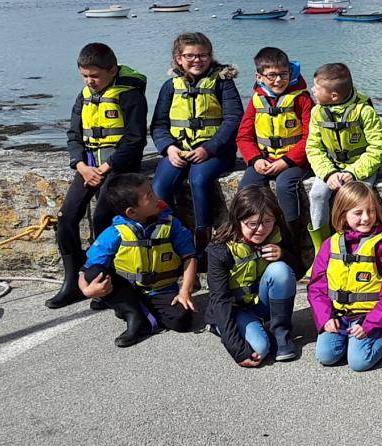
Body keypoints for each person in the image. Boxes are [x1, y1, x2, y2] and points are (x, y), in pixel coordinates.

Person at [48, 43, 148, 309]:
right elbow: (74, 135)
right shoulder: (84, 96)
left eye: (95, 76)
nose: (89, 81)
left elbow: (135, 139)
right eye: (84, 76)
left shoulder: (130, 96)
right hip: (88, 168)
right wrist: (80, 165)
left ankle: (104, 283)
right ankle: (72, 282)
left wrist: (106, 168)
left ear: (112, 70)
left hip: (118, 168)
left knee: (104, 218)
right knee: (66, 218)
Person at [149, 32, 242, 254]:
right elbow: (158, 124)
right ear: (178, 58)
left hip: (216, 152)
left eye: (203, 55)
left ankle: (203, 244)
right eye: (190, 56)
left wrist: (208, 149)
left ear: (210, 56)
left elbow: (233, 119)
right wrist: (169, 148)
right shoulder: (170, 86)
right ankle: (172, 238)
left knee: (198, 180)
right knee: (160, 186)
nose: (197, 60)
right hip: (178, 150)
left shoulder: (223, 84)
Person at [78, 173, 197, 347]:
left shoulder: (171, 225)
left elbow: (189, 257)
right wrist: (87, 290)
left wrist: (185, 291)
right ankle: (133, 316)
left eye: (152, 192)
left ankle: (135, 310)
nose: (156, 198)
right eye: (149, 196)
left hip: (161, 290)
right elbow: (86, 269)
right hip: (129, 289)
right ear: (132, 212)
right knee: (94, 273)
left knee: (182, 320)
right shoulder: (115, 232)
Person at [308, 181, 382, 372]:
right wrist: (325, 318)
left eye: (371, 211)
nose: (366, 218)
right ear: (343, 215)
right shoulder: (330, 244)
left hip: (372, 315)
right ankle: (350, 338)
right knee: (326, 356)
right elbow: (316, 288)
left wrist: (369, 323)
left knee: (359, 362)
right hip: (339, 314)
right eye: (358, 213)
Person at [205, 186, 305, 367]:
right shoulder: (220, 249)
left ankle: (280, 334)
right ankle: (219, 326)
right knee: (260, 349)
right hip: (233, 308)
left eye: (267, 221)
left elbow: (297, 273)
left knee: (280, 270)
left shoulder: (278, 232)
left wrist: (284, 255)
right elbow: (220, 300)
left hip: (259, 303)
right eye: (252, 224)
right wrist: (237, 351)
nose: (261, 229)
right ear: (238, 219)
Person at [304, 62, 382, 254]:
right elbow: (314, 148)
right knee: (317, 195)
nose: (313, 91)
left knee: (360, 199)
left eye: (316, 88)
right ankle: (322, 249)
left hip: (361, 167)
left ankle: (359, 246)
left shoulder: (364, 111)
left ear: (333, 95)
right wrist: (328, 174)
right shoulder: (317, 112)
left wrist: (353, 172)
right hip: (330, 167)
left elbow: (379, 148)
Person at [235, 47, 314, 239]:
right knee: (246, 186)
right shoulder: (257, 101)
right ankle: (247, 234)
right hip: (264, 159)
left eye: (283, 74)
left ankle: (291, 237)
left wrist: (286, 161)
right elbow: (244, 136)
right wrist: (255, 160)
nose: (278, 80)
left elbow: (311, 136)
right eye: (272, 75)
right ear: (259, 76)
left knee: (284, 185)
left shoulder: (302, 100)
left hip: (296, 161)